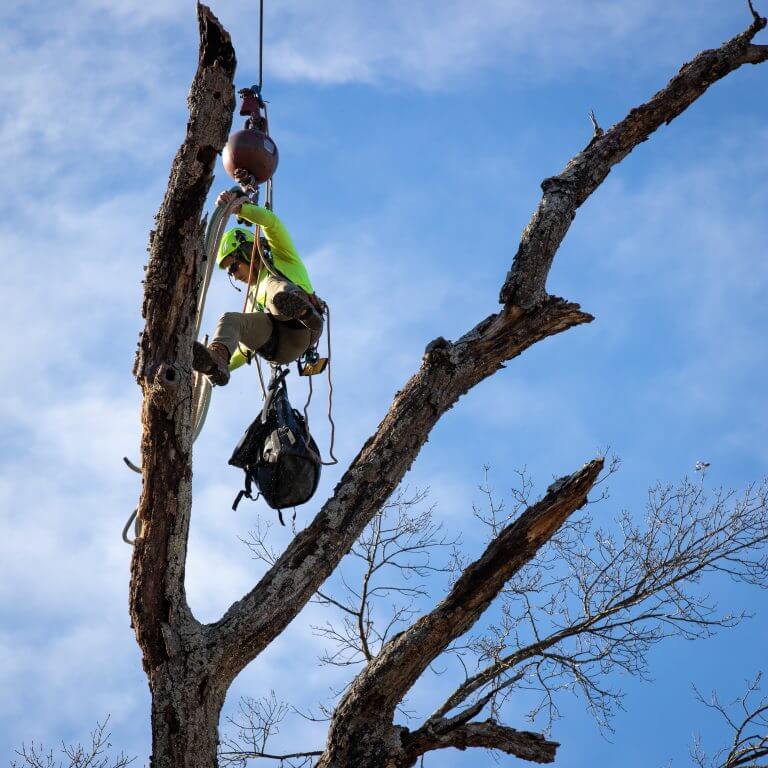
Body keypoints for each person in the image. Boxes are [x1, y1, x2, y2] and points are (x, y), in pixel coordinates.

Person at [193, 190, 323, 387]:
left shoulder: (283, 258)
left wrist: (240, 209)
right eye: (230, 272)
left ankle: (302, 307)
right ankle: (217, 359)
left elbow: (272, 223)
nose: (234, 275)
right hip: (280, 347)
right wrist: (211, 366)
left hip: (304, 327)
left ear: (247, 252)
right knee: (230, 320)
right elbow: (245, 350)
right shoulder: (251, 300)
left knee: (274, 288)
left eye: (234, 266)